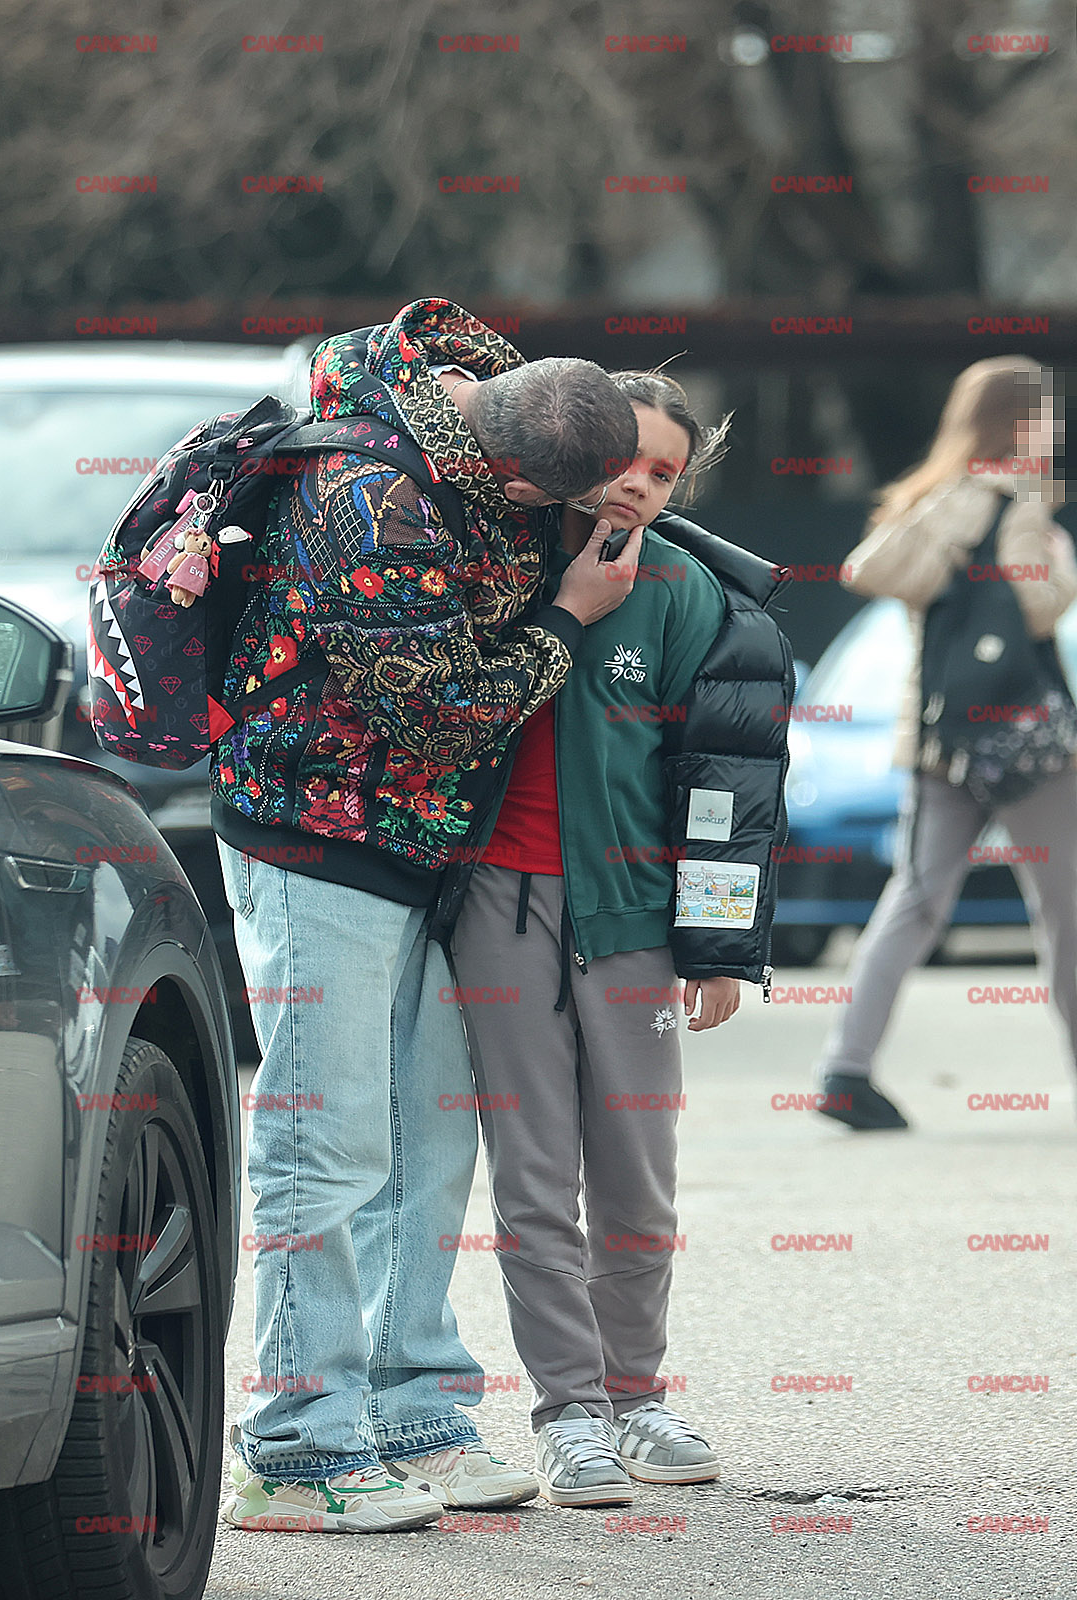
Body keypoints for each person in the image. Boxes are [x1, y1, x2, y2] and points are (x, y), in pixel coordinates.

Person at [215, 298, 648, 1534]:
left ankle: (412, 1412)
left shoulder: (481, 390)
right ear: (510, 474)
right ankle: (295, 1448)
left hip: (420, 844)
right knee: (326, 1146)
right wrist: (569, 614)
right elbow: (442, 716)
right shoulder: (370, 499)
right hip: (316, 838)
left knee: (423, 1147)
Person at [445, 370, 792, 1505]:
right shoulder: (494, 563)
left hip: (636, 917)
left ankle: (637, 1397)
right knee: (535, 1177)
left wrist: (719, 948)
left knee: (638, 1179)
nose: (638, 485)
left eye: (664, 472)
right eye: (624, 459)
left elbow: (728, 782)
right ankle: (570, 1415)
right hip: (500, 908)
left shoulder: (690, 594)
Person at [813, 355, 1077, 1131]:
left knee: (924, 900)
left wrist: (987, 520)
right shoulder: (990, 502)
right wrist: (1031, 541)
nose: (1057, 428)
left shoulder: (970, 503)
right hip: (1005, 743)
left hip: (962, 740)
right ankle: (845, 1072)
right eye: (1046, 414)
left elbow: (870, 572)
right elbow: (1035, 607)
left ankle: (845, 1070)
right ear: (1014, 423)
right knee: (1056, 912)